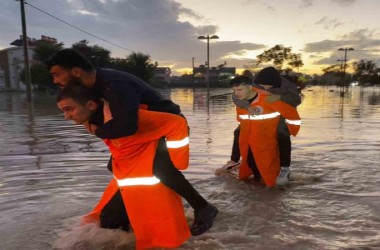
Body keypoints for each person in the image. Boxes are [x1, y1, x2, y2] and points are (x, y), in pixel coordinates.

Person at [47, 48, 217, 236]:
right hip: (140, 132)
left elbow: (127, 126)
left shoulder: (115, 85)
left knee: (159, 168)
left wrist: (99, 131)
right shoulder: (94, 84)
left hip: (163, 127)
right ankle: (136, 213)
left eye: (57, 75)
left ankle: (203, 207)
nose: (55, 81)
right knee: (116, 166)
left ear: (76, 72)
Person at [56, 85, 193, 249]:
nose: (66, 116)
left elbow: (177, 124)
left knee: (112, 224)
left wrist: (177, 161)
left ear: (91, 105)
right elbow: (122, 144)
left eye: (69, 109)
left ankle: (200, 209)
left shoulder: (125, 117)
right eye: (63, 111)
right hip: (130, 178)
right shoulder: (96, 120)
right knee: (110, 223)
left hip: (148, 177)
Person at [216, 67, 301, 185]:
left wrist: (280, 97)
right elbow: (236, 95)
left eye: (268, 86)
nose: (265, 88)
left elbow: (297, 100)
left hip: (279, 113)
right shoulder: (252, 83)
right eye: (262, 85)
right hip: (256, 115)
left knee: (282, 134)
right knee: (238, 132)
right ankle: (234, 161)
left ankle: (285, 168)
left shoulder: (287, 85)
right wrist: (247, 106)